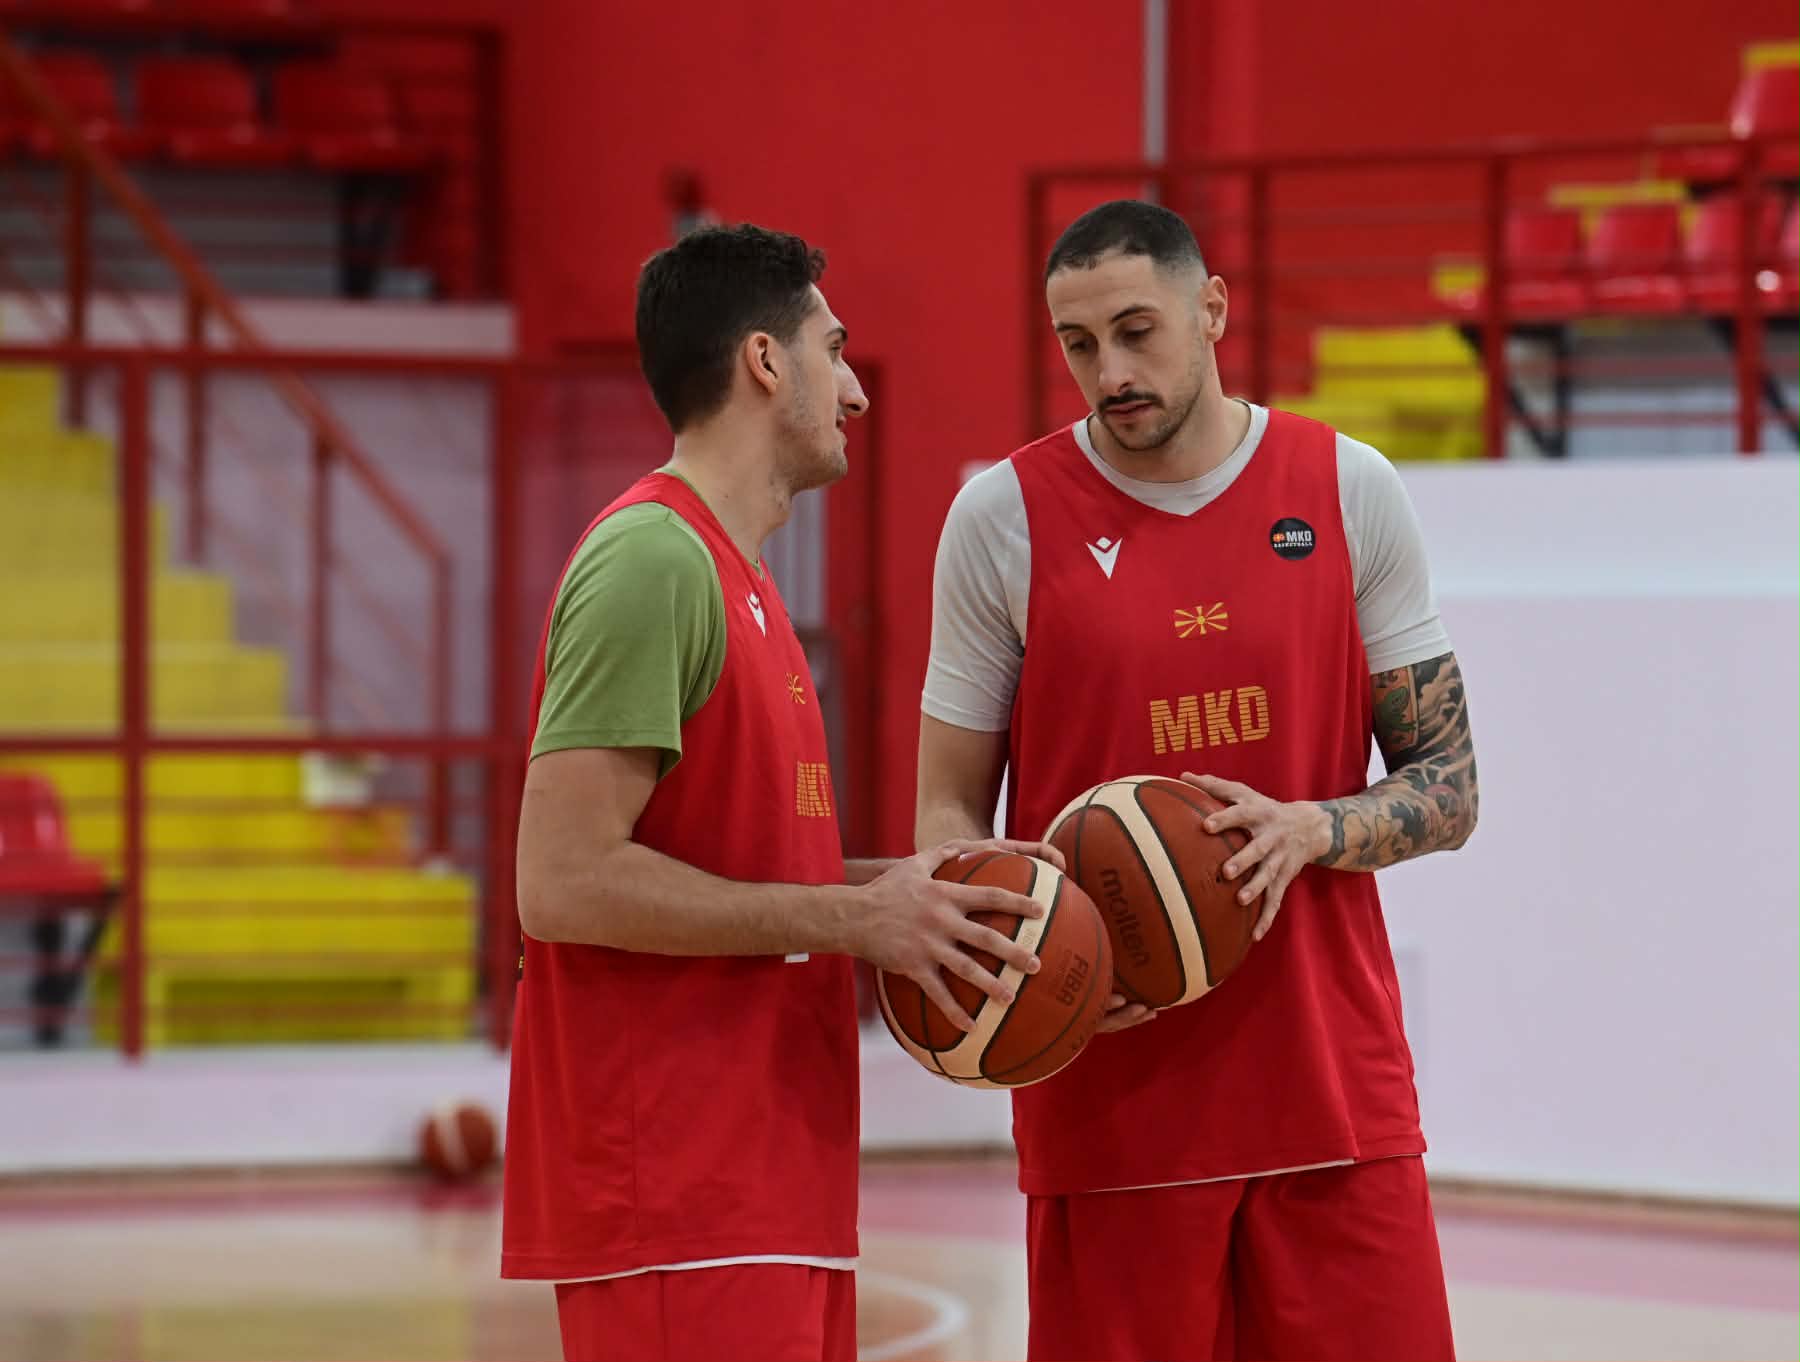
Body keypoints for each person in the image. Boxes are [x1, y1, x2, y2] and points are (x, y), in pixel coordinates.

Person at [916, 199, 1480, 1361]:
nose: (1110, 373)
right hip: (1108, 1106)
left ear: (1211, 308)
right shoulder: (1000, 520)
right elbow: (946, 810)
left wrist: (1313, 829)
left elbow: (1449, 784)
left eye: (1137, 331)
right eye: (1079, 344)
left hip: (1333, 1093)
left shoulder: (1348, 486)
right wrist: (1033, 943)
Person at [503, 223, 1060, 1362]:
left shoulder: (738, 576)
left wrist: (926, 889)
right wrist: (854, 920)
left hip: (765, 1189)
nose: (856, 391)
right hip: (676, 1197)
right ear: (765, 361)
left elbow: (744, 867)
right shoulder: (652, 560)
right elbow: (561, 883)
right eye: (835, 349)